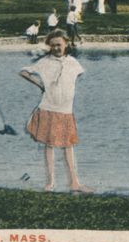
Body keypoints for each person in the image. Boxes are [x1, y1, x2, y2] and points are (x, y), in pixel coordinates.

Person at [19, 30, 93, 193]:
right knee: (50, 145)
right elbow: (24, 71)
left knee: (68, 146)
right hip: (49, 108)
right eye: (52, 46)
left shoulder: (73, 62)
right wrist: (39, 84)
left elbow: (77, 77)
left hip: (66, 110)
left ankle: (74, 182)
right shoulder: (44, 62)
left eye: (59, 45)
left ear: (66, 44)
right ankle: (50, 182)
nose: (56, 48)